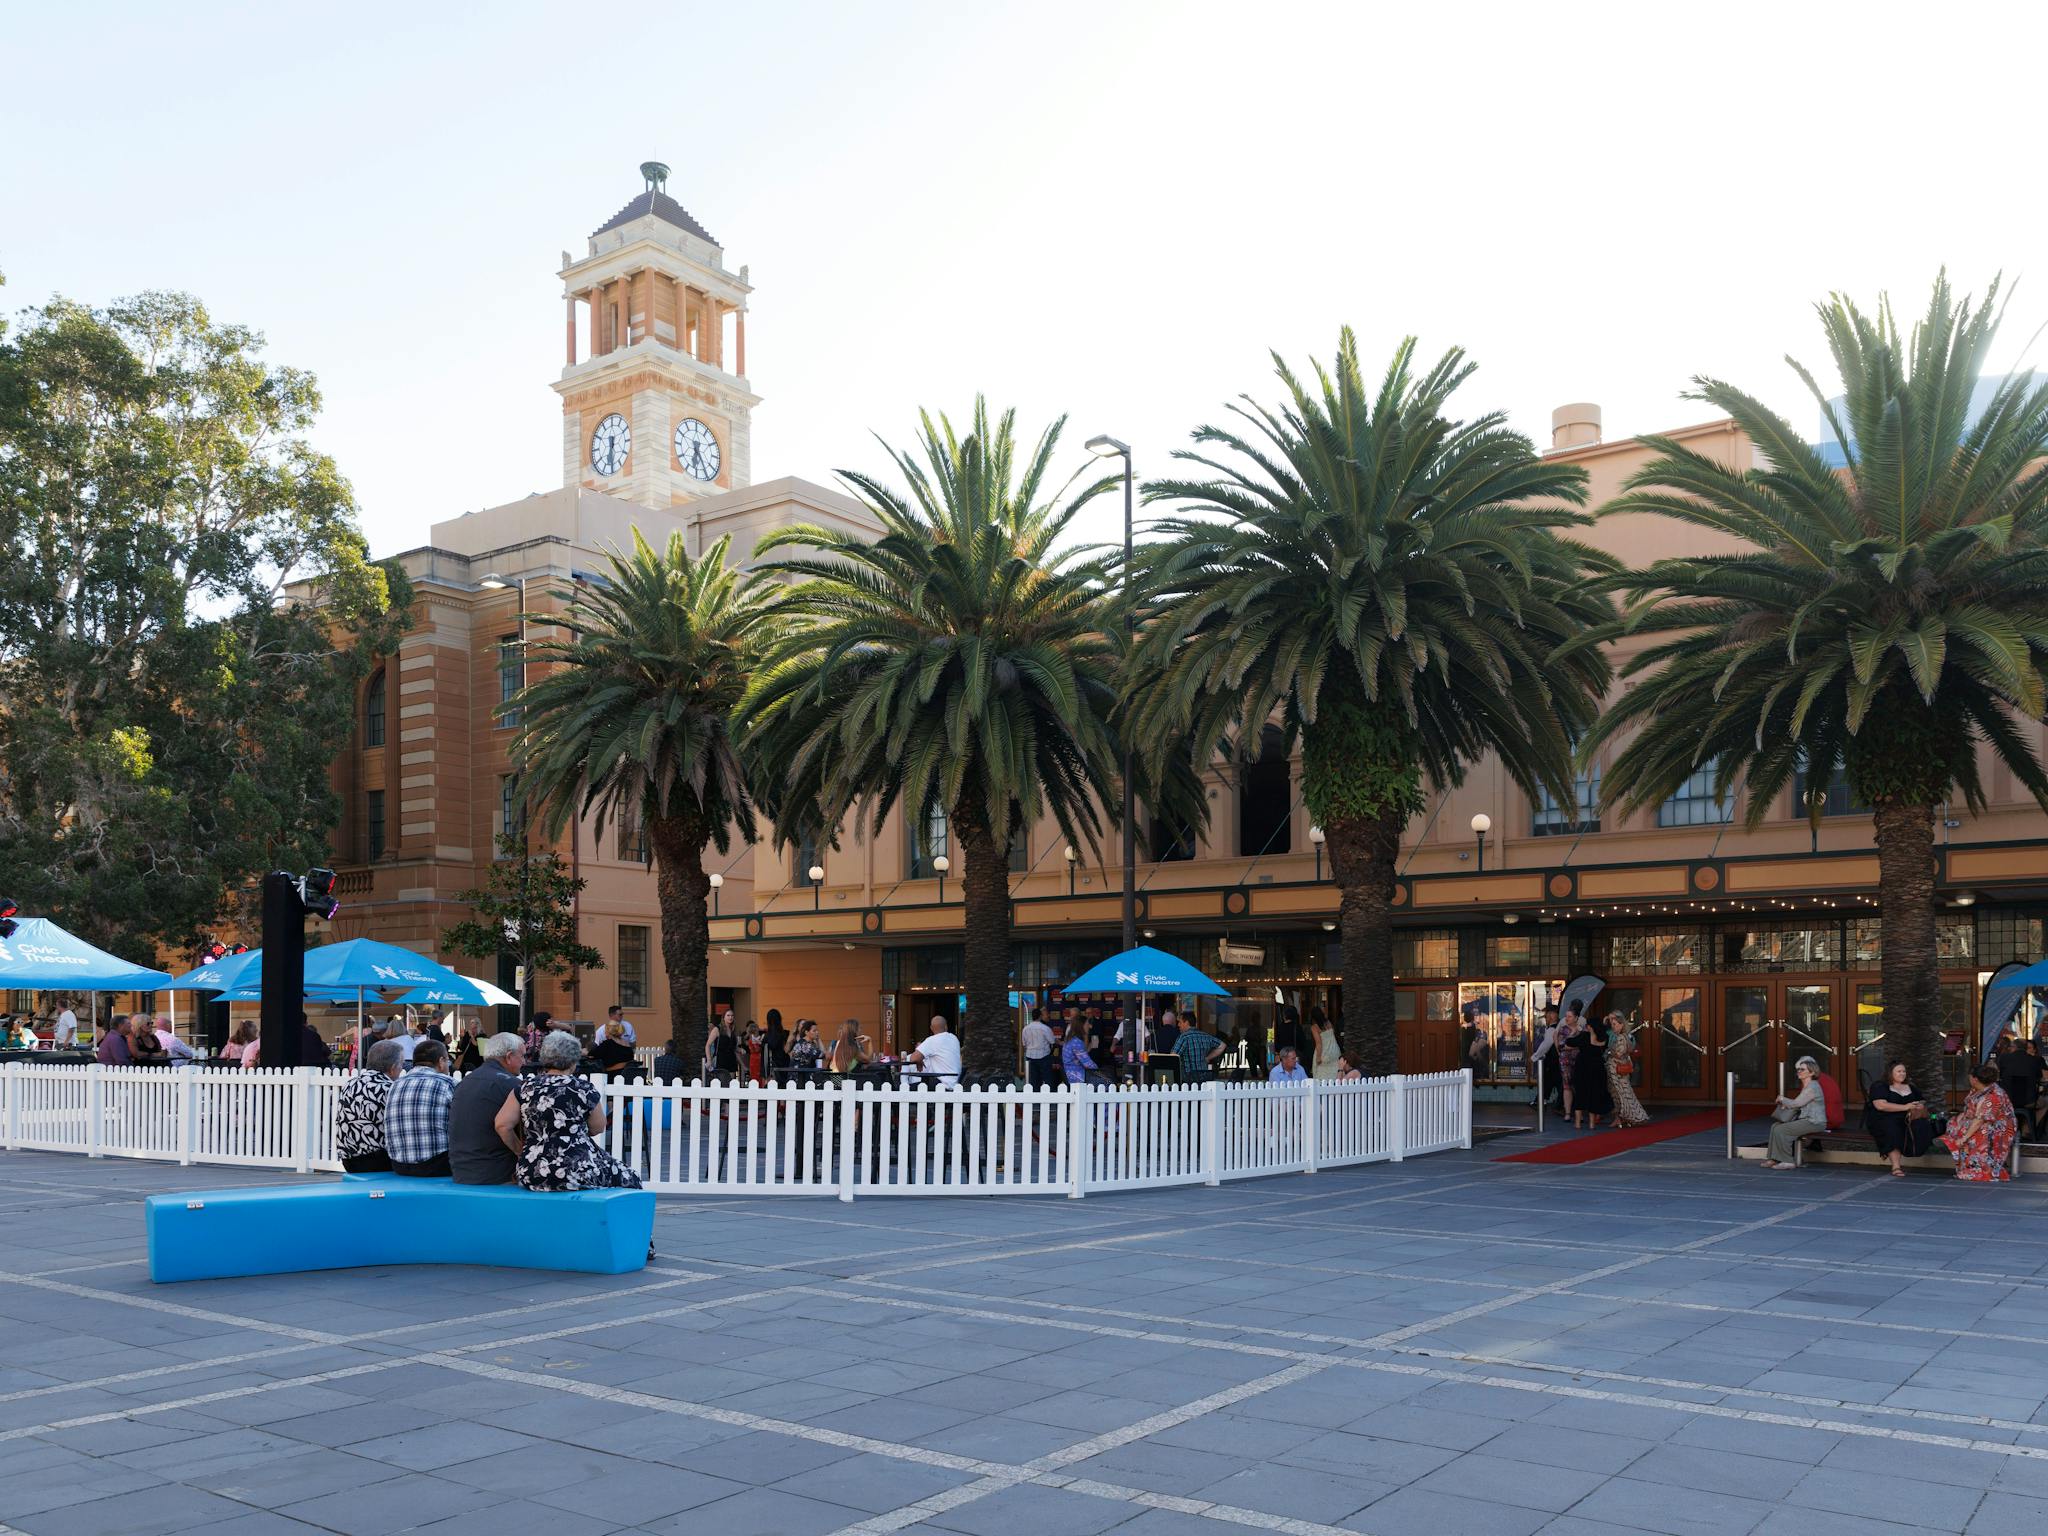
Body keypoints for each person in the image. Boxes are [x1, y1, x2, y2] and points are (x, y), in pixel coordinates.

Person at [495, 1029, 643, 1192]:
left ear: (545, 1058)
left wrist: (520, 1152)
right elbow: (598, 1127)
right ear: (574, 1061)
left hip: (532, 1171)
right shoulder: (583, 1088)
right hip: (577, 1170)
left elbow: (502, 1125)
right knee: (630, 1177)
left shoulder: (524, 1088)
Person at [449, 1032, 526, 1184]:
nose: (524, 1061)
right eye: (522, 1056)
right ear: (509, 1056)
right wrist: (521, 1153)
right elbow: (506, 1127)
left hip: (461, 1170)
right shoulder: (511, 1085)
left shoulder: (465, 1082)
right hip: (497, 1172)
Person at [383, 1039, 454, 1177]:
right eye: (447, 1061)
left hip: (399, 1164)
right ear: (441, 1061)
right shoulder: (447, 1083)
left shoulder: (395, 1085)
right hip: (437, 1164)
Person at [1939, 1062, 2018, 1182]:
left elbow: (1980, 1120)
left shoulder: (1993, 1095)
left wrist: (1964, 1137)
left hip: (1998, 1127)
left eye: (1969, 1076)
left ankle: (1980, 1169)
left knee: (1981, 1130)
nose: (1968, 1078)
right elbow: (1970, 1109)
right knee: (1955, 1122)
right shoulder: (1977, 1089)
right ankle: (1953, 1144)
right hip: (1978, 1119)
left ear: (1974, 1079)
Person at [336, 1039, 404, 1172]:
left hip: (348, 1159)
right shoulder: (389, 1088)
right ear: (393, 1068)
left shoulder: (350, 1084)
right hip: (376, 1161)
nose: (402, 1068)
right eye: (401, 1064)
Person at [1865, 1059, 1934, 1177]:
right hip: (1884, 1117)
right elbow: (1880, 1105)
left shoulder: (1911, 1088)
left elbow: (1922, 1101)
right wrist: (1905, 1107)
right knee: (1892, 1128)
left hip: (1907, 1118)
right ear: (1890, 1073)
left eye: (1904, 1071)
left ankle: (1914, 1150)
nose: (1902, 1074)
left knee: (1921, 1126)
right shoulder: (1880, 1086)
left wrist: (1919, 1106)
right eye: (1898, 1071)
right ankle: (1896, 1166)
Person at [1761, 1056, 1827, 1168]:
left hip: (1815, 1122)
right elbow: (1797, 1104)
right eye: (1798, 1069)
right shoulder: (1807, 1086)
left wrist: (1782, 1099)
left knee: (1782, 1130)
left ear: (1811, 1073)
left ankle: (1787, 1161)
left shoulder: (1813, 1087)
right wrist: (1785, 1102)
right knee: (1775, 1126)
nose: (1799, 1071)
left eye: (1802, 1069)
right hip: (1806, 1120)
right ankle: (1774, 1158)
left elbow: (1796, 1104)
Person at [1568, 1009, 1612, 1130]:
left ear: (1590, 1026)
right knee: (1594, 1095)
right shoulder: (1604, 1037)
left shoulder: (1583, 1036)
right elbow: (1600, 1045)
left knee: (1580, 1094)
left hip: (1582, 1067)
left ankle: (1577, 1123)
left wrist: (1573, 1032)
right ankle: (1592, 1124)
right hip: (1597, 1068)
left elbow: (1569, 1042)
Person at [1604, 1015, 1649, 1128]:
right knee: (1624, 1093)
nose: (1613, 1027)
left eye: (1615, 1024)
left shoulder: (1621, 1037)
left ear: (1621, 1025)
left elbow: (1619, 1054)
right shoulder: (1625, 1037)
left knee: (1620, 1094)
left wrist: (1609, 1052)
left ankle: (1629, 1117)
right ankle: (1628, 1117)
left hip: (1617, 1070)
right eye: (1612, 1024)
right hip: (1620, 1070)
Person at [1997, 1035, 2043, 1140]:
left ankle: (2006, 1131)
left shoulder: (2004, 1058)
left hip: (2007, 1099)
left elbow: (1999, 1073)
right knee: (2045, 1102)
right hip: (2029, 1101)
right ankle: (2027, 1129)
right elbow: (2040, 1077)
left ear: (2014, 1047)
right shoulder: (2034, 1060)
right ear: (2026, 1048)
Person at [908, 1015, 962, 1085]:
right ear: (946, 1026)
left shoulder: (932, 1040)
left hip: (941, 1084)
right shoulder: (954, 1038)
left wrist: (919, 1061)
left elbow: (913, 1058)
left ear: (931, 1028)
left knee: (906, 1089)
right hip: (954, 1083)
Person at [1172, 1017, 1226, 1082]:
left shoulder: (1184, 1037)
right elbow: (1222, 1046)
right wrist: (1208, 1058)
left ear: (1186, 1022)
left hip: (1188, 1079)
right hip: (1204, 1078)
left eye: (1180, 1022)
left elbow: (1173, 1057)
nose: (1178, 1025)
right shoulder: (1205, 1036)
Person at [1021, 1011, 1058, 1088]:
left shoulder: (1025, 1029)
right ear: (1040, 1016)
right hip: (1044, 1056)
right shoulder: (1045, 1028)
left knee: (1033, 1081)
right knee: (1048, 1080)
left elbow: (1024, 1044)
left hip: (1030, 1056)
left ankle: (1035, 1098)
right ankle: (1049, 1098)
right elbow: (1052, 1041)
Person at [1061, 1019, 1103, 1085]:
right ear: (1081, 1026)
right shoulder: (1076, 1042)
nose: (1089, 1027)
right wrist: (1100, 1072)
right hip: (1077, 1076)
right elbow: (1087, 1062)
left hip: (1069, 1074)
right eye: (1087, 1025)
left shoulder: (1070, 1039)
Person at [1308, 1012, 1340, 1082]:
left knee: (1321, 1072)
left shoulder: (1314, 1027)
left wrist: (1318, 1057)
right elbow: (1333, 1034)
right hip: (1334, 1050)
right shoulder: (1328, 1023)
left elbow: (1319, 1043)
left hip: (1324, 1052)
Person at [763, 1008, 787, 1074]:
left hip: (773, 1063)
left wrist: (763, 1041)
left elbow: (771, 1045)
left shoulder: (771, 1033)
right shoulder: (782, 1032)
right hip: (782, 1060)